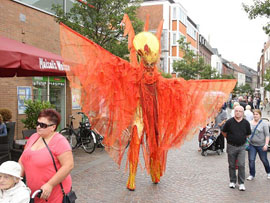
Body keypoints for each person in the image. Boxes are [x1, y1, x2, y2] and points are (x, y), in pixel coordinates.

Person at [19, 109, 74, 202]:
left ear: (53, 127)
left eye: (43, 125)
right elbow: (23, 159)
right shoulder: (34, 137)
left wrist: (50, 184)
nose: (38, 127)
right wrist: (17, 180)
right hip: (34, 194)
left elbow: (68, 165)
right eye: (38, 123)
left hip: (54, 194)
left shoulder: (59, 141)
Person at [222, 105, 251, 191]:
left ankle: (241, 183)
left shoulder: (246, 123)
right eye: (236, 111)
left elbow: (248, 134)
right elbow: (224, 132)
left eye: (240, 111)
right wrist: (230, 139)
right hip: (231, 146)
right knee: (231, 165)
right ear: (234, 112)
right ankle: (232, 181)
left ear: (243, 113)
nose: (238, 112)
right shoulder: (229, 122)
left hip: (241, 146)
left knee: (241, 164)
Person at [246, 109, 270, 181]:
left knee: (264, 160)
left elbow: (267, 135)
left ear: (260, 115)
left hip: (261, 145)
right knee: (251, 160)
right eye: (254, 114)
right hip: (252, 145)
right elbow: (247, 133)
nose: (255, 115)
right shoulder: (249, 123)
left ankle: (268, 172)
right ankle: (252, 174)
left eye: (257, 114)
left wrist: (266, 144)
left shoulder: (264, 124)